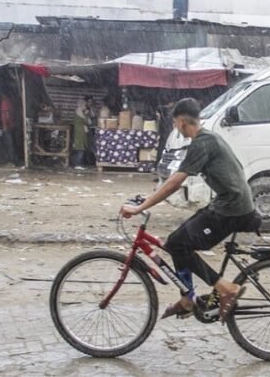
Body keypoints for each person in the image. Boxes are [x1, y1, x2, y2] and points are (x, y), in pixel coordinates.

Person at [120, 98, 257, 323]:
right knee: (178, 241)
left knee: (176, 244)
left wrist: (140, 208)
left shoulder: (201, 143)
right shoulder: (209, 138)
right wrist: (146, 199)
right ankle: (187, 298)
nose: (175, 127)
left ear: (182, 122)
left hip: (233, 209)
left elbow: (175, 182)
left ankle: (225, 289)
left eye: (175, 124)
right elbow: (174, 180)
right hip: (228, 205)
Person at [0, 93, 21, 166]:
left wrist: (5, 125)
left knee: (9, 144)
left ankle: (11, 161)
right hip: (12, 125)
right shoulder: (11, 102)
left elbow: (7, 114)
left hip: (8, 126)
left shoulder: (5, 102)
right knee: (13, 143)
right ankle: (15, 159)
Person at [71, 98, 89, 169]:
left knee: (80, 148)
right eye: (85, 105)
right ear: (82, 105)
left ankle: (78, 163)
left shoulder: (79, 111)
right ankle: (77, 164)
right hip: (80, 132)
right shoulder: (79, 111)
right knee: (80, 148)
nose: (86, 107)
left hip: (79, 131)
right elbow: (86, 121)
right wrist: (86, 114)